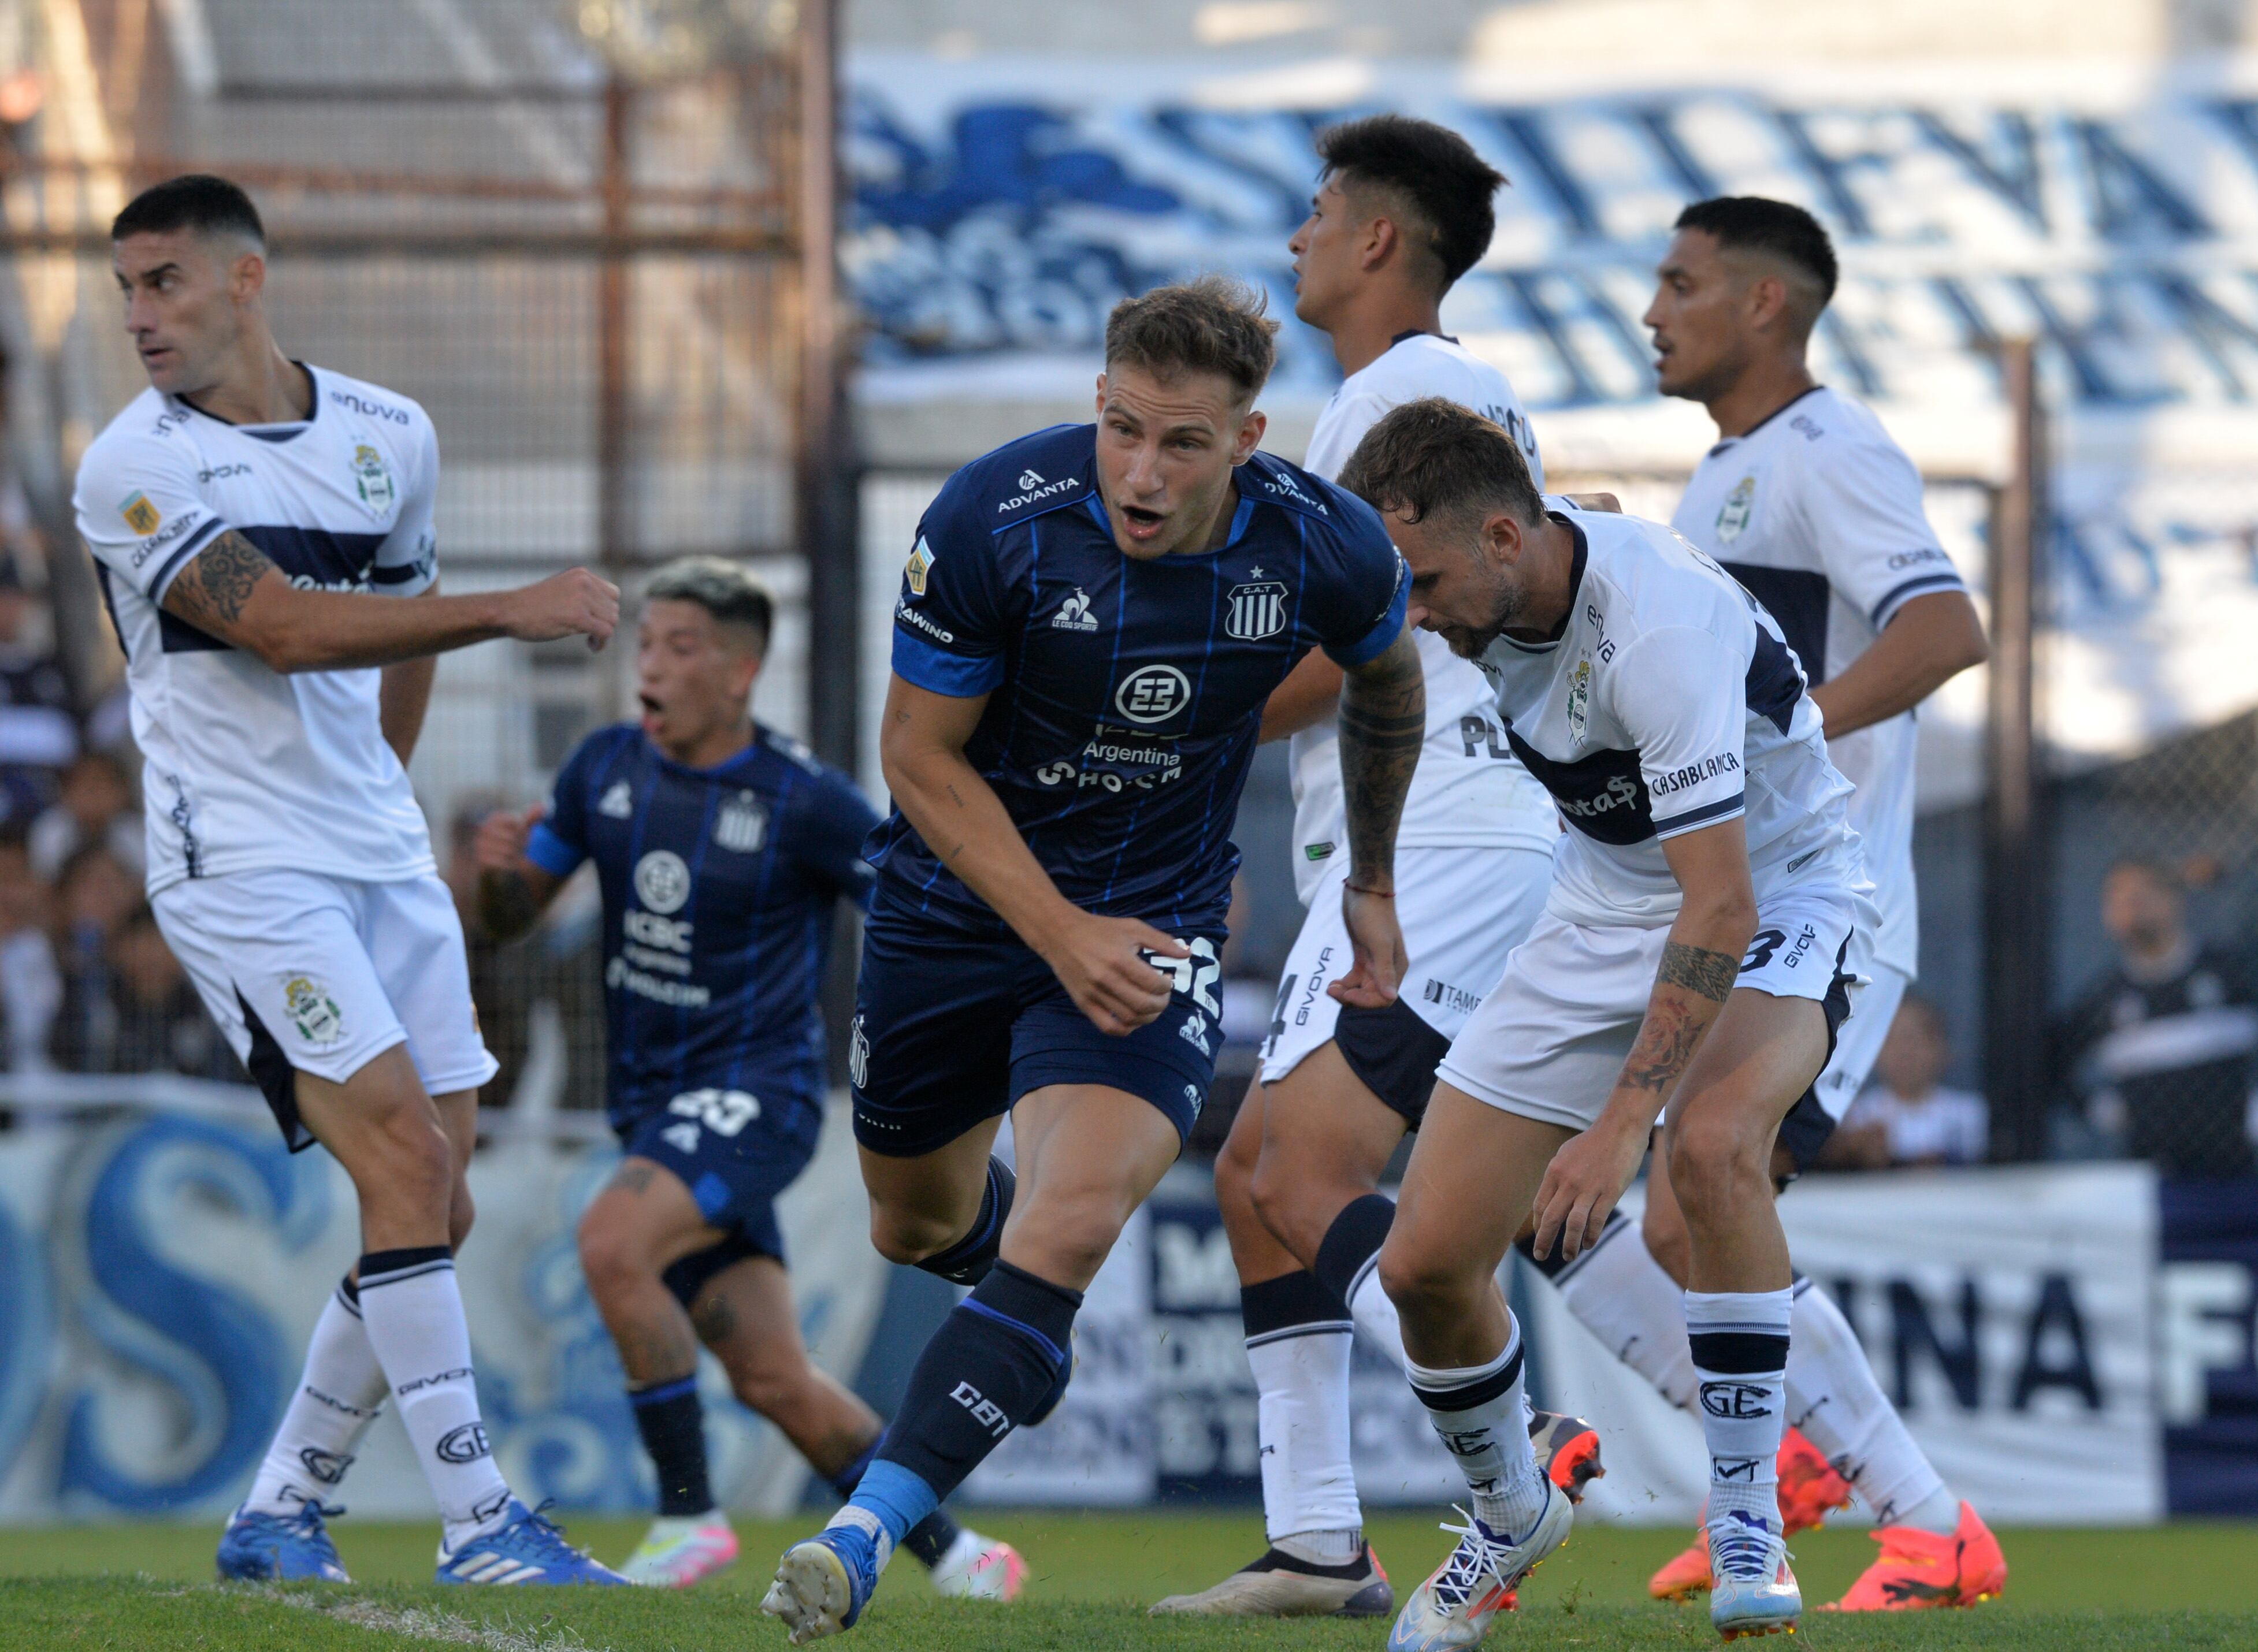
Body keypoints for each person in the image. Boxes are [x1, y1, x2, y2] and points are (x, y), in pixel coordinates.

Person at [758, 276, 1424, 1644]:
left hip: (1153, 923)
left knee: (1069, 1220)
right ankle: (1016, 1322)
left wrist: (1367, 877)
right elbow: (915, 758)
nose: (1142, 466)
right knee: (916, 1222)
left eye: (1183, 441)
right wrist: (1053, 932)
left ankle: (862, 1530)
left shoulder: (1322, 544)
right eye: (1122, 427)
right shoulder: (990, 521)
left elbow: (1388, 673)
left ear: (1245, 440)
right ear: (1095, 405)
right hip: (951, 913)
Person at [72, 173, 624, 1586]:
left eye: (166, 282)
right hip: (242, 862)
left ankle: (278, 1510)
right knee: (401, 1155)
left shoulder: (391, 433)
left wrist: (382, 793)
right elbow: (298, 630)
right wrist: (515, 602)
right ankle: (481, 1522)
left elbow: (398, 631)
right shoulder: (132, 464)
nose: (139, 314)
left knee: (439, 1200)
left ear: (246, 281)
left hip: (372, 849)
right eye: (126, 286)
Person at [1513, 196, 2005, 1616]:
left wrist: (1778, 740)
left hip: (1828, 907)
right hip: (1743, 899)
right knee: (1634, 1206)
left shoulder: (1829, 448)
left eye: (1678, 283)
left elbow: (1946, 625)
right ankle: (1790, 1466)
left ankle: (1924, 1523)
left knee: (1700, 1188)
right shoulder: (1726, 479)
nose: (1651, 310)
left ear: (1767, 306)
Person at [1335, 398, 1877, 1646]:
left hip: (1776, 887)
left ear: (1510, 537)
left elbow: (1722, 899)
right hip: (1599, 904)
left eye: (1423, 580)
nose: (1412, 613)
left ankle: (1748, 1515)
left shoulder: (1661, 635)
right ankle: (1511, 1508)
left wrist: (1624, 1116)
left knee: (1712, 1144)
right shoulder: (1506, 574)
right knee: (1422, 1266)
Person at [1152, 116, 1595, 1621]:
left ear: (1376, 240)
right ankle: (1319, 1543)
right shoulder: (1406, 395)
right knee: (1250, 1173)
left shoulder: (1408, 397)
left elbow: (1358, 644)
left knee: (1308, 1172)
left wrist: (1152, 736)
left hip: (1456, 840)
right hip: (1412, 839)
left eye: (1317, 211)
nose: (1295, 240)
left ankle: (1511, 1457)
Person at [476, 559, 1026, 1596]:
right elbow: (510, 917)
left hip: (756, 1098)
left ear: (740, 671)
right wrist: (500, 876)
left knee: (609, 1238)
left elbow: (913, 909)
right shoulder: (601, 770)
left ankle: (687, 1518)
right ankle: (961, 1558)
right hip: (652, 1113)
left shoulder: (802, 799)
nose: (653, 666)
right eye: (648, 644)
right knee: (774, 1378)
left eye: (681, 648)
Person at [2056, 858, 2258, 1177]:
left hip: (2243, 1171)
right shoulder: (2103, 997)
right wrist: (2100, 1111)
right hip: (2152, 1178)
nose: (2130, 909)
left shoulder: (2233, 972)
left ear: (2173, 900)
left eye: (2140, 896)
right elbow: (2054, 1063)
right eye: (2117, 900)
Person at [1822, 997, 1988, 1169]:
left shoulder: (1969, 1112)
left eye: (1915, 1039)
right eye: (1893, 1040)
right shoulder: (1858, 1115)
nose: (1905, 1052)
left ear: (1942, 1048)